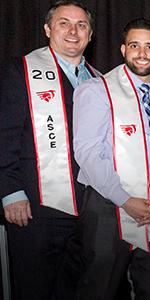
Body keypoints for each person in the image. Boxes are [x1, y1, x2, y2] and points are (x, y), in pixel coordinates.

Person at [71, 18, 150, 298]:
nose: (142, 53)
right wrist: (124, 200)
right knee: (100, 290)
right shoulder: (97, 90)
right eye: (134, 45)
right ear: (123, 50)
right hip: (108, 208)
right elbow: (87, 153)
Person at [0, 2, 98, 298]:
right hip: (35, 205)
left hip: (89, 210)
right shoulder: (20, 70)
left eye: (81, 25)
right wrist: (11, 191)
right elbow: (4, 134)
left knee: (76, 289)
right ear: (47, 29)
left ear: (91, 35)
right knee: (35, 289)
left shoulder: (100, 79)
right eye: (63, 23)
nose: (73, 31)